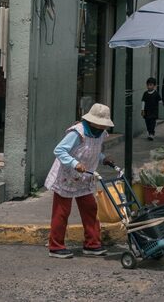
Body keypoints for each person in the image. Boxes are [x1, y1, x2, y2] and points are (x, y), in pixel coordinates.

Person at [44, 103, 115, 259]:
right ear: (92, 121)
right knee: (61, 212)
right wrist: (74, 163)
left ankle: (92, 244)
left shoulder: (101, 134)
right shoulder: (77, 133)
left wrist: (103, 159)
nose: (103, 127)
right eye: (101, 123)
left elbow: (92, 152)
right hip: (67, 176)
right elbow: (59, 150)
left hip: (84, 177)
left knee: (90, 209)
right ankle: (55, 247)